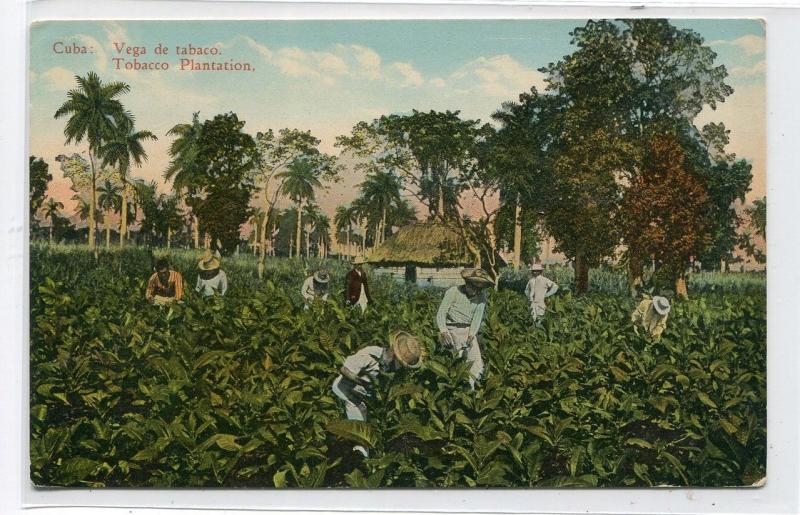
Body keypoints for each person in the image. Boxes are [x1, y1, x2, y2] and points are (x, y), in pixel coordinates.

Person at [331, 331, 423, 457]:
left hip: (366, 398)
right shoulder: (370, 354)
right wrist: (363, 382)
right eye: (400, 363)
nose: (400, 367)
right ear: (393, 352)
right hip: (345, 391)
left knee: (373, 429)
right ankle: (360, 459)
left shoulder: (392, 368)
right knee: (360, 430)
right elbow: (344, 370)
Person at [436, 268, 493, 390]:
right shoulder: (453, 292)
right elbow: (441, 313)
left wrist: (471, 336)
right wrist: (444, 332)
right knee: (456, 362)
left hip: (467, 331)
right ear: (467, 283)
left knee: (476, 362)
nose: (476, 291)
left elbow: (477, 319)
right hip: (451, 330)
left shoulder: (481, 297)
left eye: (479, 288)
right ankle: (454, 390)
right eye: (474, 287)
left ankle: (471, 390)